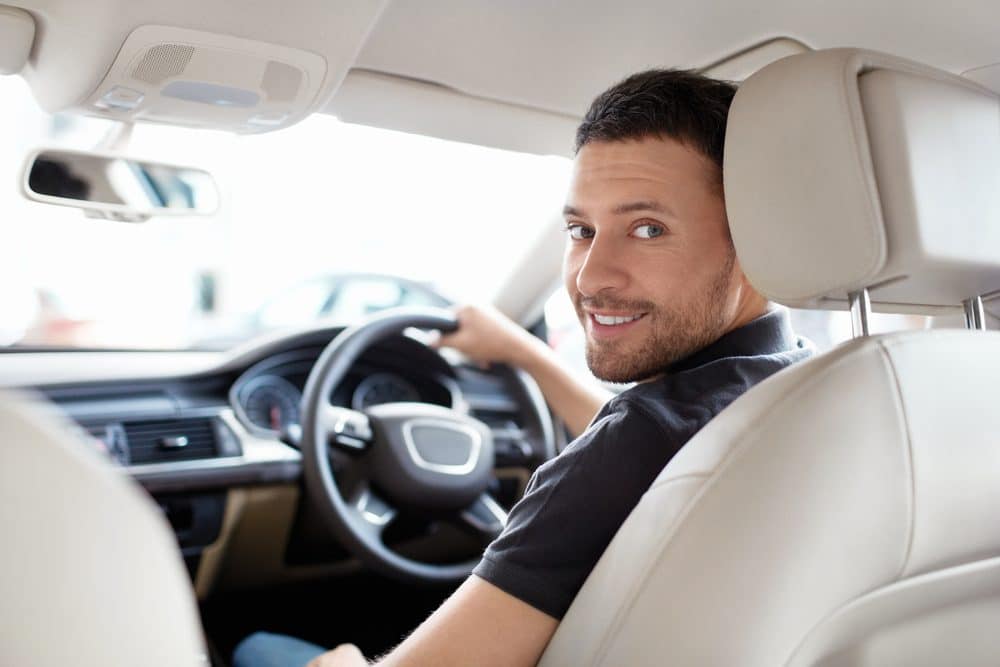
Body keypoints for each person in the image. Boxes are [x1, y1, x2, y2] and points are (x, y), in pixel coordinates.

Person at [233, 68, 813, 667]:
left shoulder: (633, 447)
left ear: (755, 238)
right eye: (581, 230)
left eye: (648, 229)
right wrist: (525, 353)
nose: (590, 278)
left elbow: (631, 448)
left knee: (257, 645)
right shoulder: (806, 385)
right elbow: (651, 454)